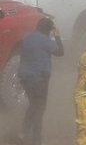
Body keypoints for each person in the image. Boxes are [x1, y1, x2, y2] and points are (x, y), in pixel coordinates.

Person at [18, 17, 63, 145]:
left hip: (24, 77)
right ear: (48, 30)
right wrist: (58, 36)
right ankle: (36, 140)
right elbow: (61, 52)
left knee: (33, 105)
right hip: (38, 79)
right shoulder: (46, 40)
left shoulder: (27, 37)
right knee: (39, 108)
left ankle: (23, 131)